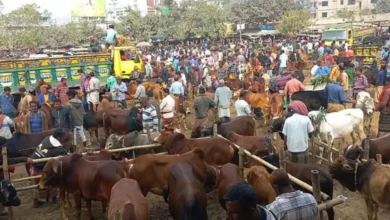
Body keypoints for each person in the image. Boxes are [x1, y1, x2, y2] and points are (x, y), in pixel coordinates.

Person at [30, 128, 69, 208]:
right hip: (41, 169)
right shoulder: (59, 149)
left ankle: (36, 200)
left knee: (37, 185)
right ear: (59, 137)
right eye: (64, 137)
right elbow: (65, 159)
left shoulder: (47, 138)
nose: (65, 138)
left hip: (33, 165)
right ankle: (53, 199)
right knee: (54, 179)